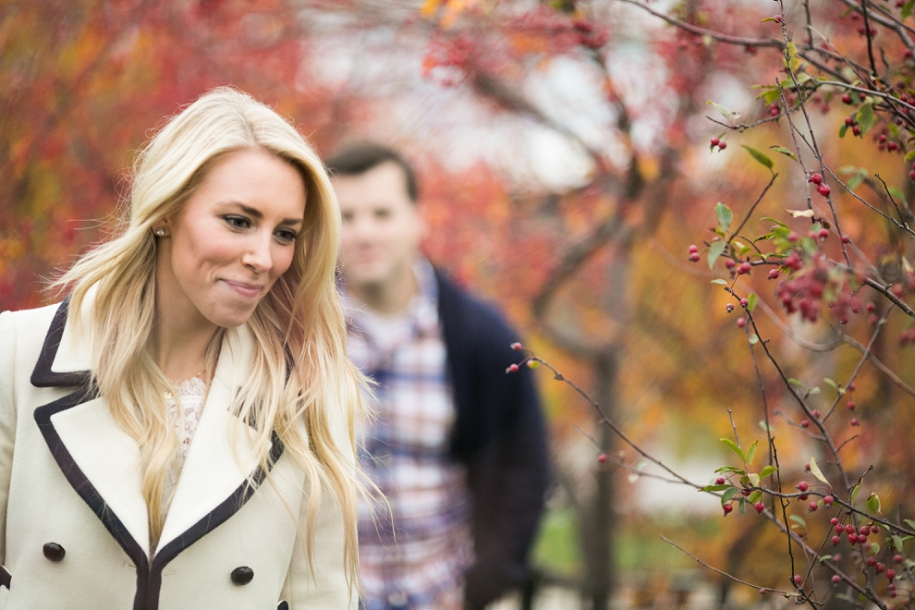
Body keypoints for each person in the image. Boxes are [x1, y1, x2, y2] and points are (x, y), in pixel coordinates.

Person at [0, 87, 364, 610]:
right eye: (238, 222)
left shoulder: (307, 392)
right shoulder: (18, 355)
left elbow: (322, 597)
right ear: (166, 211)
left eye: (285, 233)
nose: (264, 257)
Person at [326, 143, 550, 610]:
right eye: (346, 216)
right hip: (329, 594)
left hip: (439, 593)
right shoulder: (297, 334)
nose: (364, 232)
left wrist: (485, 582)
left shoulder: (480, 336)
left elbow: (524, 467)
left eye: (382, 214)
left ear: (417, 219)